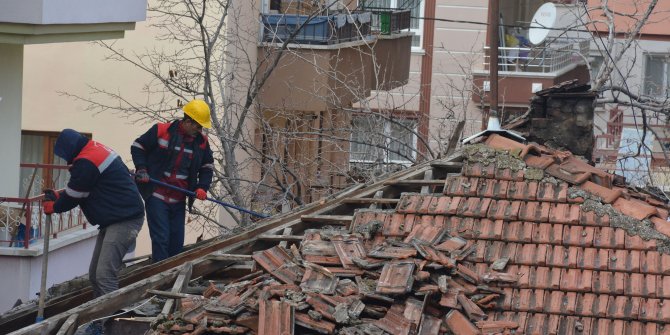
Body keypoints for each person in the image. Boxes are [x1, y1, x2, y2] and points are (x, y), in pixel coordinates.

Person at [43, 129, 145, 334]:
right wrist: (59, 195)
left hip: (124, 219)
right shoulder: (94, 150)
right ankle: (101, 321)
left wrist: (55, 206)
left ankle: (113, 326)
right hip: (115, 217)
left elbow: (75, 194)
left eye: (65, 157)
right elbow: (84, 186)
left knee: (105, 273)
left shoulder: (86, 162)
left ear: (69, 151)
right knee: (94, 274)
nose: (65, 162)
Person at [131, 99, 214, 262]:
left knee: (176, 243)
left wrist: (202, 187)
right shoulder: (162, 131)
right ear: (188, 121)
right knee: (161, 239)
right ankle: (160, 278)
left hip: (179, 199)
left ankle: (172, 277)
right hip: (156, 196)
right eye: (198, 126)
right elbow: (137, 147)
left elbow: (207, 167)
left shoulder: (202, 143)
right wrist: (142, 169)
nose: (200, 130)